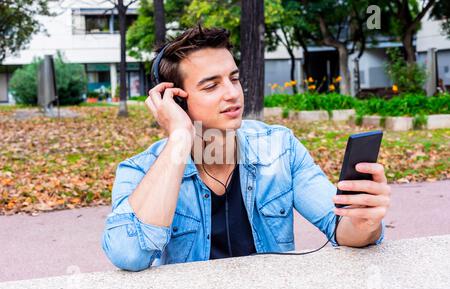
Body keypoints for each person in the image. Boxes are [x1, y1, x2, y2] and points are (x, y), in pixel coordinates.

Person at [102, 25, 390, 271]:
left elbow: (340, 229)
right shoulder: (139, 170)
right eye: (211, 86)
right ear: (177, 101)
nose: (232, 93)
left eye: (234, 78)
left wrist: (365, 222)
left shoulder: (280, 147)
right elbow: (130, 254)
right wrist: (179, 136)